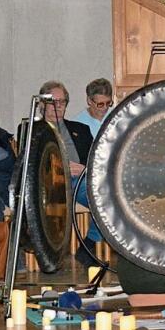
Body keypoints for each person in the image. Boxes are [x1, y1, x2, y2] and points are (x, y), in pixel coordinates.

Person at [39, 81, 98, 264]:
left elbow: (96, 161)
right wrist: (62, 169)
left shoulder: (81, 129)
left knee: (104, 199)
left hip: (79, 181)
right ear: (42, 105)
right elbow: (31, 165)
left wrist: (85, 169)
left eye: (62, 102)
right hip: (50, 185)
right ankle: (50, 254)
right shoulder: (34, 131)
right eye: (53, 102)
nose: (58, 107)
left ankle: (90, 244)